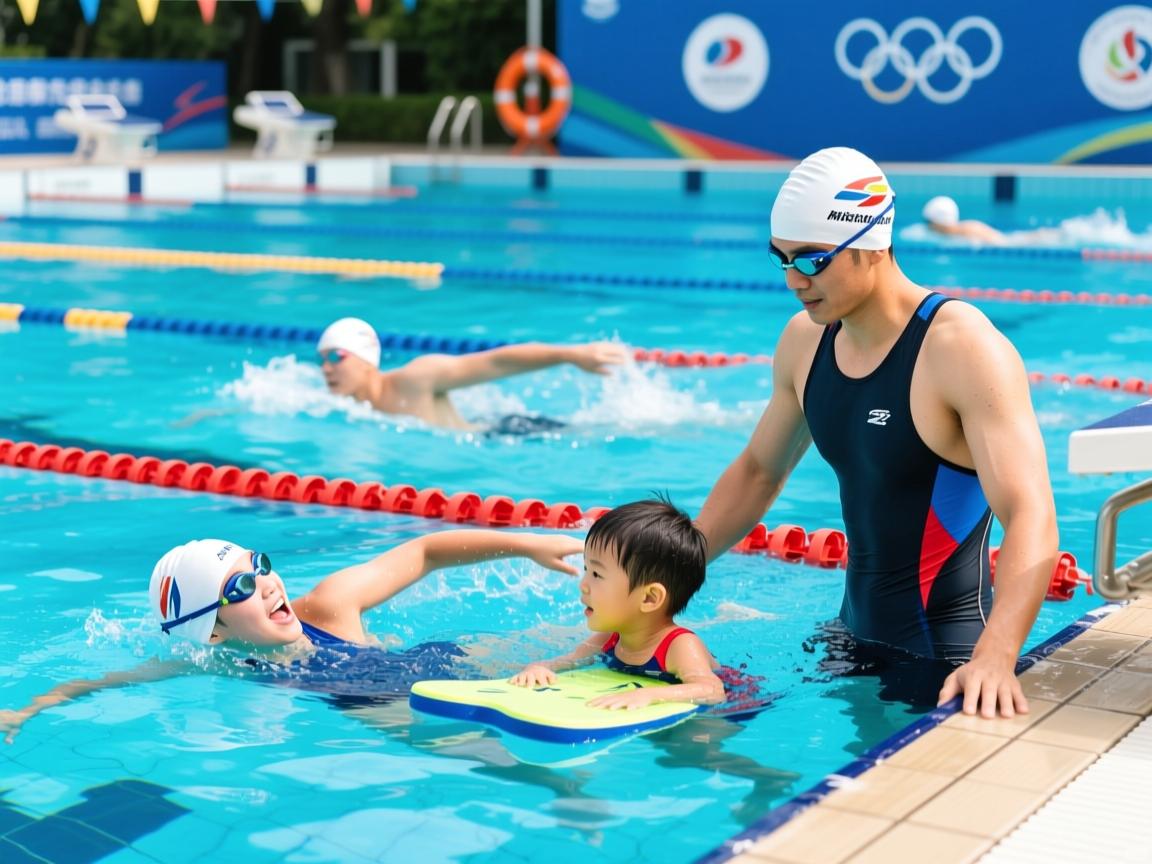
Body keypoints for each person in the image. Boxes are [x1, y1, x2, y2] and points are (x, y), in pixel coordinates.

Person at [695, 147, 1058, 718]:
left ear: (871, 244)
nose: (793, 280)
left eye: (812, 260)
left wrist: (997, 655)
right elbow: (759, 472)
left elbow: (1031, 513)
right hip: (849, 638)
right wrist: (669, 578)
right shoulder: (805, 342)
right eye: (781, 259)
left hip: (948, 658)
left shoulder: (960, 348)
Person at [0, 529, 583, 742]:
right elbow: (107, 681)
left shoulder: (329, 607)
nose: (265, 585)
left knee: (581, 648)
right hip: (378, 703)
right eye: (237, 590)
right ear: (214, 634)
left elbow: (425, 551)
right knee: (489, 753)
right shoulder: (213, 664)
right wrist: (26, 711)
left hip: (436, 660)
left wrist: (526, 542)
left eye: (259, 565)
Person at [511, 499, 726, 709]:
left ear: (649, 598)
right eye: (586, 570)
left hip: (724, 713)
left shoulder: (680, 646)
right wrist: (537, 669)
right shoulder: (609, 639)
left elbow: (712, 691)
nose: (583, 585)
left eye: (596, 574)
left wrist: (648, 695)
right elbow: (566, 661)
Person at [316, 317, 630, 431]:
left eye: (336, 356)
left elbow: (496, 363)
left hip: (512, 434)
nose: (326, 368)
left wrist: (571, 354)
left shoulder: (415, 379)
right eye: (322, 359)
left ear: (367, 358)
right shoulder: (347, 407)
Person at [921, 195, 1007, 245]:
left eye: (929, 222)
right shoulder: (959, 232)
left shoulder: (970, 231)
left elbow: (1000, 244)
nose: (928, 226)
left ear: (937, 223)